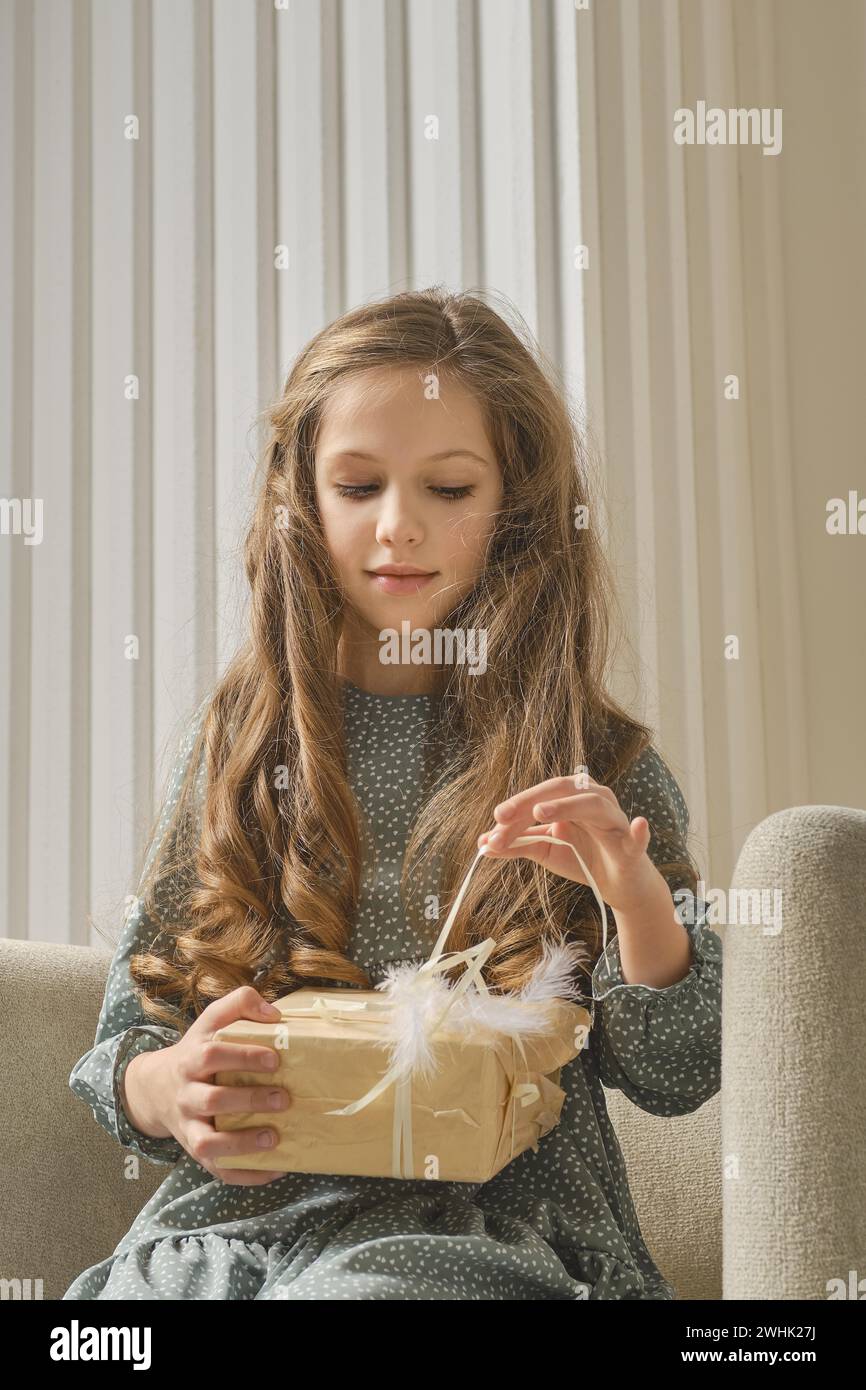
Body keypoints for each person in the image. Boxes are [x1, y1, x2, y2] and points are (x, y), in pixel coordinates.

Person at [64, 287, 721, 1300]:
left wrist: (631, 897)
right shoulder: (241, 751)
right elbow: (129, 1043)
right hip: (236, 1230)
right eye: (357, 485)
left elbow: (681, 1072)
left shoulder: (589, 761)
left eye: (448, 489)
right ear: (303, 502)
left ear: (514, 507)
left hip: (488, 1232)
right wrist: (168, 1088)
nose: (398, 526)